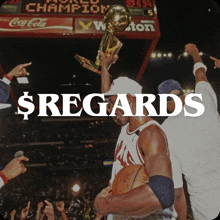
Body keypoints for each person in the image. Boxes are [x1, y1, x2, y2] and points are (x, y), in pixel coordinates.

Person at [94, 51, 184, 220]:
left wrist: (104, 204)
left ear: (128, 99)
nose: (108, 107)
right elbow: (105, 93)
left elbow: (162, 193)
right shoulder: (127, 125)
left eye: (112, 102)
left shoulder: (151, 135)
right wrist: (105, 68)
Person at [158, 43, 220, 220]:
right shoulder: (204, 101)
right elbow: (200, 74)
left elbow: (177, 190)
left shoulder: (166, 131)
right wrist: (194, 53)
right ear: (184, 96)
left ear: (166, 104)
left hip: (207, 205)